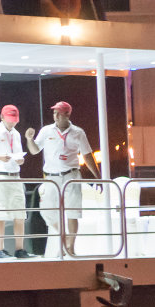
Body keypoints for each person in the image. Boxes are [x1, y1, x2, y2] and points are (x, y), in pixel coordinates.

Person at [25, 100, 98, 257]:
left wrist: (98, 177)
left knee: (73, 212)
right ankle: (64, 238)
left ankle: (70, 247)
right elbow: (34, 151)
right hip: (51, 177)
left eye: (59, 113)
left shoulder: (78, 132)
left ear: (67, 114)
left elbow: (87, 155)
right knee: (47, 212)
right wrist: (30, 139)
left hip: (71, 175)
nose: (56, 116)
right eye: (54, 113)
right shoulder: (46, 130)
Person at [0, 105, 30, 259]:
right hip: (0, 175)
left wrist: (20, 159)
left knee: (20, 213)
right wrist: (0, 157)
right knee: (0, 214)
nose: (12, 123)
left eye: (14, 120)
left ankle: (19, 249)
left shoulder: (16, 133)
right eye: (9, 120)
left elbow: (18, 154)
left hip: (15, 175)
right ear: (2, 118)